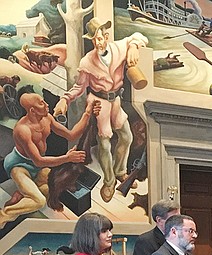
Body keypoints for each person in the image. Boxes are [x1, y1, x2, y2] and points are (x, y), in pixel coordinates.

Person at [54, 18, 148, 202]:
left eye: (100, 38)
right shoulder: (87, 61)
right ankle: (109, 181)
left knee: (127, 137)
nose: (98, 42)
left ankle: (120, 171)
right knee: (104, 144)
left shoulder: (119, 47)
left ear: (106, 36)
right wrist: (65, 99)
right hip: (99, 102)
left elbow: (138, 36)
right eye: (94, 39)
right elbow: (79, 87)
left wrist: (135, 46)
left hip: (116, 101)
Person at [0, 93, 100, 226]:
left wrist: (87, 113)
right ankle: (4, 214)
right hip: (19, 166)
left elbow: (71, 135)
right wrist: (67, 158)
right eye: (42, 103)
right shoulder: (22, 130)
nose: (47, 105)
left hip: (37, 166)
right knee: (39, 201)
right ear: (32, 110)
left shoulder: (47, 118)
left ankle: (22, 194)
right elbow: (39, 161)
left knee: (52, 186)